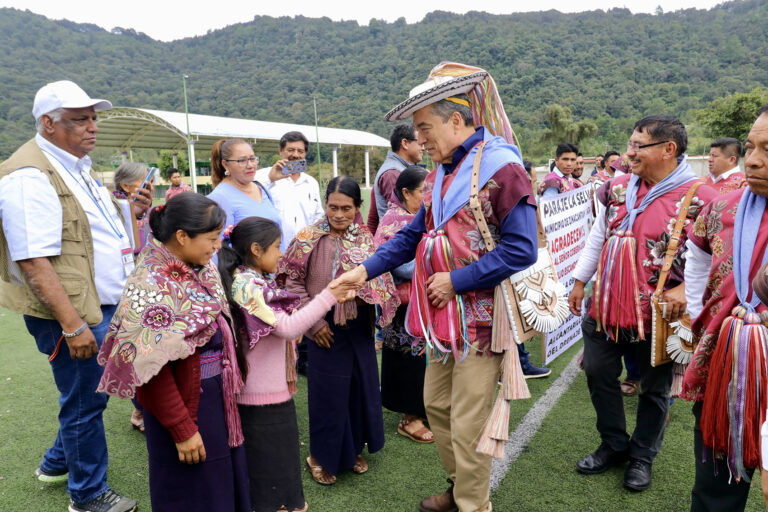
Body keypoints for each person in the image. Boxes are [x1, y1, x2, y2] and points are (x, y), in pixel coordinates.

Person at [335, 62, 538, 512]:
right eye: (418, 131)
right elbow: (413, 235)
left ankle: (472, 503)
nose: (420, 139)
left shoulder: (502, 168)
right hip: (444, 319)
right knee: (437, 405)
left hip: (481, 321)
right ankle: (459, 485)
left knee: (466, 421)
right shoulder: (443, 172)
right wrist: (365, 271)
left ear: (456, 120)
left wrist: (457, 280)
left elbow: (523, 249)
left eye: (425, 128)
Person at [0, 80, 151, 512]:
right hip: (73, 312)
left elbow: (88, 228)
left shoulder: (72, 165)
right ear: (48, 123)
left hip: (95, 302)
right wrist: (73, 324)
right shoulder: (30, 175)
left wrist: (131, 211)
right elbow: (33, 260)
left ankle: (55, 463)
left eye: (93, 118)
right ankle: (86, 495)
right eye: (79, 119)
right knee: (86, 401)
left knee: (87, 395)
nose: (92, 127)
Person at [568, 115, 716, 492]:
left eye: (638, 146)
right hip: (607, 306)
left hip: (662, 316)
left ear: (669, 149)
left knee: (654, 388)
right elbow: (599, 236)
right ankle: (614, 444)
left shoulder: (703, 197)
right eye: (630, 144)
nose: (629, 152)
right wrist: (580, 281)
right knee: (599, 371)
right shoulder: (617, 188)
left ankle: (642, 455)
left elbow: (720, 257)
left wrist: (687, 292)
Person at [97, 193, 250, 512]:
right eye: (211, 238)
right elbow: (148, 369)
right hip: (184, 408)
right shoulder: (151, 283)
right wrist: (182, 428)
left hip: (212, 400)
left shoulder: (198, 266)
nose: (217, 246)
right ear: (182, 236)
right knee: (193, 491)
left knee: (217, 484)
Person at [218, 217, 355, 511]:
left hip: (268, 392)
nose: (281, 254)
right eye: (277, 247)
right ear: (256, 249)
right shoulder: (247, 285)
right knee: (272, 479)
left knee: (277, 474)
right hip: (261, 398)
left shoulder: (248, 280)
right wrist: (330, 294)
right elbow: (288, 328)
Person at [278, 176, 398, 486]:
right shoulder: (308, 238)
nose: (340, 214)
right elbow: (292, 283)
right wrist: (314, 323)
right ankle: (320, 456)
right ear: (325, 205)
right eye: (333, 207)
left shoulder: (365, 239)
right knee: (329, 395)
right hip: (323, 327)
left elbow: (379, 278)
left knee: (358, 389)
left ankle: (352, 450)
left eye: (347, 208)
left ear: (358, 208)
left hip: (358, 329)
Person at [681, 106, 768, 511]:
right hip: (727, 364)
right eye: (751, 147)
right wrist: (705, 317)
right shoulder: (721, 208)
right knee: (716, 489)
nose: (752, 159)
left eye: (767, 149)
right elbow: (696, 258)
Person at [373, 165, 434, 444]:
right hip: (403, 304)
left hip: (423, 300)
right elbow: (401, 266)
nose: (429, 196)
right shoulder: (395, 221)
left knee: (422, 359)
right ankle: (410, 417)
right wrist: (436, 264)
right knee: (408, 360)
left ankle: (424, 409)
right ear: (406, 192)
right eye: (424, 191)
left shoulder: (417, 217)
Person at [255, 131, 324, 251]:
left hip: (304, 251)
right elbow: (251, 201)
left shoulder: (312, 183)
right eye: (290, 150)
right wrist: (270, 179)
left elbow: (318, 215)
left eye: (300, 151)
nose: (296, 155)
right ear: (280, 150)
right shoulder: (263, 176)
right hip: (272, 251)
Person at [207, 138, 283, 237]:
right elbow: (220, 245)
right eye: (242, 160)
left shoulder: (261, 189)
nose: (250, 165)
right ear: (225, 165)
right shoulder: (219, 198)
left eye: (252, 159)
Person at [366, 123, 424, 234]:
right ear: (405, 143)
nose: (423, 147)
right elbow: (401, 216)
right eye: (419, 142)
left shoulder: (399, 170)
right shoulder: (393, 174)